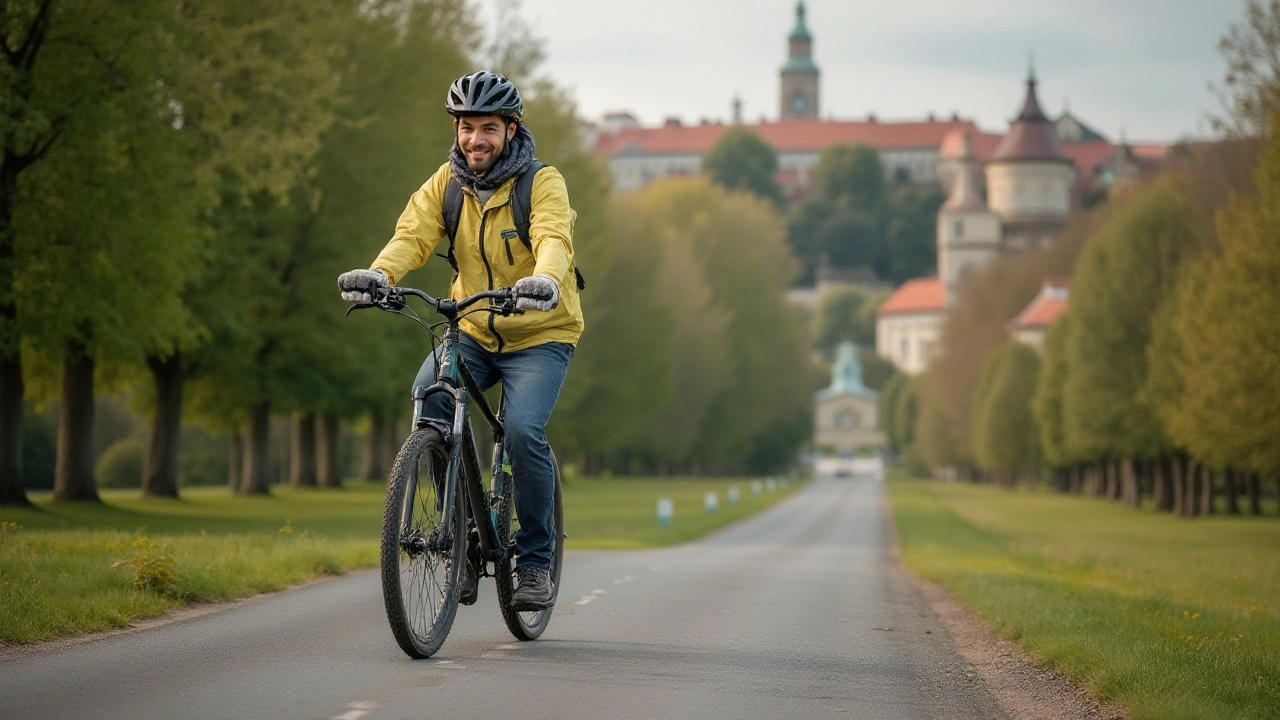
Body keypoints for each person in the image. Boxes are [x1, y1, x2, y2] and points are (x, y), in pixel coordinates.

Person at [337, 71, 582, 611]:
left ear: (512, 130)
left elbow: (553, 237)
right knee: (432, 397)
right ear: (457, 129)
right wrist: (380, 274)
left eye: (488, 128)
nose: (476, 140)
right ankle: (465, 538)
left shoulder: (542, 182)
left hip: (540, 332)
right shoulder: (445, 185)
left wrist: (543, 280)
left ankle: (536, 562)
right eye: (468, 127)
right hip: (471, 327)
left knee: (520, 430)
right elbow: (412, 236)